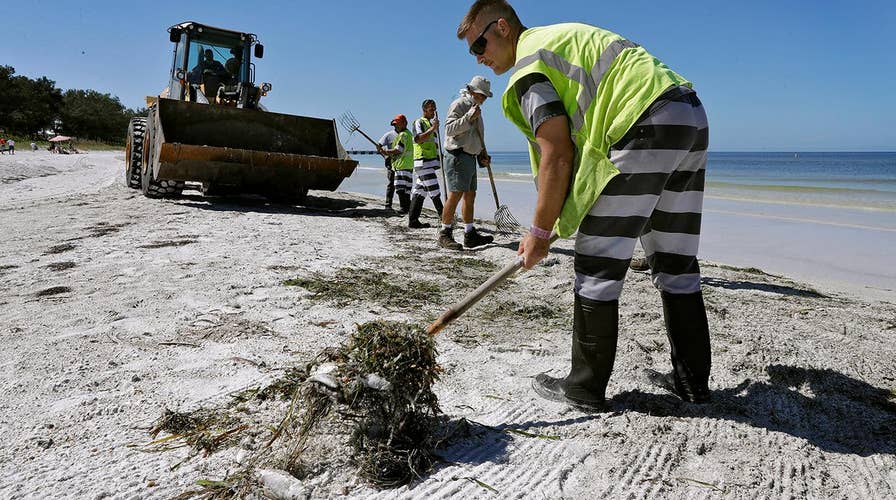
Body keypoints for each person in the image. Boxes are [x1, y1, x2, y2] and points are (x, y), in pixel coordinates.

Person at [457, 1, 712, 411]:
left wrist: (539, 234)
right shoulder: (558, 38)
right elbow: (574, 156)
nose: (479, 58)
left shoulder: (528, 69)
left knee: (597, 263)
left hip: (643, 122)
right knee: (675, 259)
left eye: (479, 45)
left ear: (502, 27)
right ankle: (693, 383)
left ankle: (584, 387)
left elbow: (557, 153)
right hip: (688, 115)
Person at [438, 76, 496, 250]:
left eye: (485, 96)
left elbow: (475, 137)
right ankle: (444, 233)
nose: (484, 98)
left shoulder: (476, 108)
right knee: (455, 195)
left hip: (469, 157)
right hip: (456, 156)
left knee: (470, 195)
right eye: (481, 94)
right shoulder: (459, 104)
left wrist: (481, 156)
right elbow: (449, 130)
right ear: (471, 91)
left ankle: (469, 234)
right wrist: (469, 117)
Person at [407, 99, 445, 229]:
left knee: (419, 191)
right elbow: (418, 139)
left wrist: (441, 156)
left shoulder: (431, 124)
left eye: (434, 109)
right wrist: (433, 128)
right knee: (434, 190)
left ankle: (413, 221)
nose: (434, 111)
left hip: (429, 161)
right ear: (424, 110)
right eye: (431, 109)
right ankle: (445, 219)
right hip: (423, 161)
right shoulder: (419, 122)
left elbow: (435, 144)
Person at [376, 115, 414, 213]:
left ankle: (404, 208)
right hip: (401, 164)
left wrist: (387, 152)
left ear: (404, 123)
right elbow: (379, 146)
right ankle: (390, 205)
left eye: (398, 124)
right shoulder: (392, 135)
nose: (396, 126)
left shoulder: (403, 135)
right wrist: (385, 155)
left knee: (400, 187)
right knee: (400, 186)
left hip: (401, 165)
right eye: (395, 125)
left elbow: (399, 149)